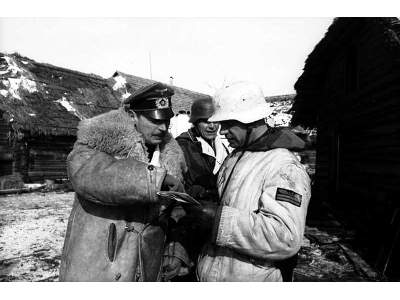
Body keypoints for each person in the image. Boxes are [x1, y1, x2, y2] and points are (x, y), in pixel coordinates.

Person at [59, 82, 190, 281]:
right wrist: (153, 179)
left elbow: (176, 214)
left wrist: (175, 250)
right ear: (132, 116)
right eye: (154, 120)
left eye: (166, 120)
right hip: (98, 271)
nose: (162, 128)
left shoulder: (171, 157)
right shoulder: (97, 142)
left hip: (146, 270)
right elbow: (87, 175)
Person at [190, 81, 311, 281]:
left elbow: (285, 237)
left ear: (250, 120)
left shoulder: (284, 167)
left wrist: (219, 220)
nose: (222, 131)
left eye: (228, 124)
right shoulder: (234, 157)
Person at [172, 97, 231, 280]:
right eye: (206, 121)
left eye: (215, 121)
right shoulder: (182, 146)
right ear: (196, 122)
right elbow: (176, 187)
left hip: (215, 221)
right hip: (190, 220)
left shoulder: (223, 146)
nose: (212, 126)